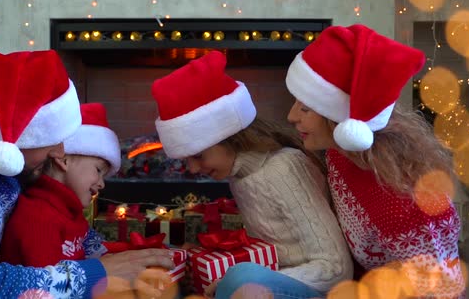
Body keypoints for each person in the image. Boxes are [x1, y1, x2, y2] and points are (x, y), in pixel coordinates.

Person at [0, 46, 174, 299]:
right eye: (50, 141)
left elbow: (59, 218)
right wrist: (93, 275)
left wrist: (110, 255)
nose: (60, 151)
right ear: (11, 144)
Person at [151, 51, 353, 298]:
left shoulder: (284, 168)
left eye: (199, 156)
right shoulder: (242, 178)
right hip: (273, 285)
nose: (193, 170)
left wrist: (243, 279)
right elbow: (271, 254)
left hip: (321, 289)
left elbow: (335, 268)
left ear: (229, 138)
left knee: (241, 277)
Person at [284, 24, 465, 298]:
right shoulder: (339, 156)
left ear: (339, 118)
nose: (291, 116)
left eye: (305, 108)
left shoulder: (403, 197)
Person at [0, 102, 120, 267]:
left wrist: (135, 252)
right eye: (98, 170)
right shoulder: (38, 217)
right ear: (64, 160)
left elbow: (94, 253)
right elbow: (49, 287)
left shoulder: (69, 212)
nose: (102, 184)